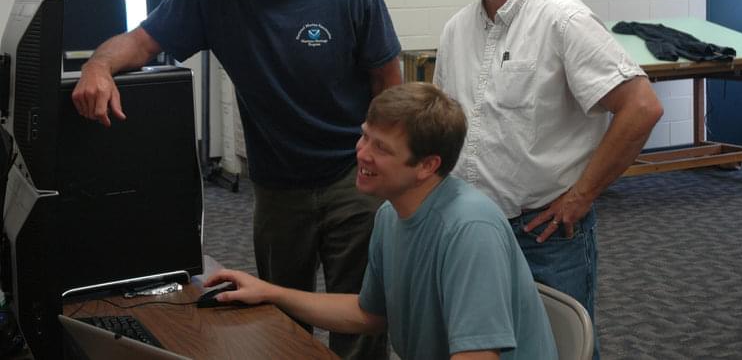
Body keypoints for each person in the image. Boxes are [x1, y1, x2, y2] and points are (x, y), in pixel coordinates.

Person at [71, 0, 401, 359]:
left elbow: (389, 89)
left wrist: (383, 168)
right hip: (275, 186)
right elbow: (140, 42)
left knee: (360, 316)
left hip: (351, 182)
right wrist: (98, 63)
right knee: (275, 313)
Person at [434, 0, 664, 358]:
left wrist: (581, 196)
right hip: (471, 229)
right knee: (481, 346)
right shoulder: (458, 28)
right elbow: (447, 121)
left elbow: (641, 106)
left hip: (541, 232)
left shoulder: (562, 17)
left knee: (559, 349)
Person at [205, 82, 558, 360]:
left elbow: (477, 356)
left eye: (382, 148)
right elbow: (367, 313)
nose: (362, 153)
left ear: (427, 166)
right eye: (364, 136)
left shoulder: (469, 230)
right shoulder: (390, 214)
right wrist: (270, 292)